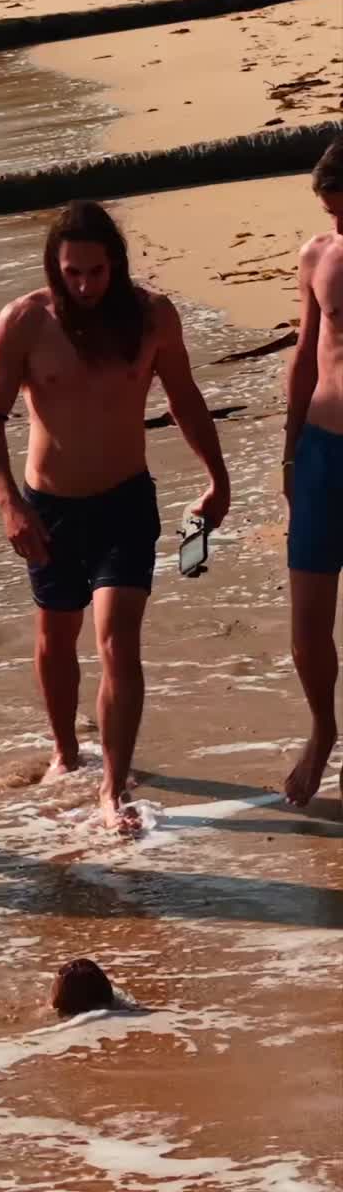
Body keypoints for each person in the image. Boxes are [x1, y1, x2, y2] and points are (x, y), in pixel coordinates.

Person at [0, 200, 230, 834]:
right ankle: (65, 752)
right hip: (49, 509)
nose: (85, 286)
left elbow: (186, 398)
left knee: (117, 641)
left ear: (115, 263)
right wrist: (8, 504)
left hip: (124, 502)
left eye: (96, 271)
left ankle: (112, 790)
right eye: (73, 273)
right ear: (55, 269)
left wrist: (217, 479)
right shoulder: (26, 322)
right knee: (56, 638)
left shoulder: (151, 318)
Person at [283, 137, 343, 807]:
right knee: (306, 629)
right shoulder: (318, 255)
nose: (338, 226)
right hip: (324, 451)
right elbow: (304, 356)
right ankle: (323, 729)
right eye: (330, 212)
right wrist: (289, 450)